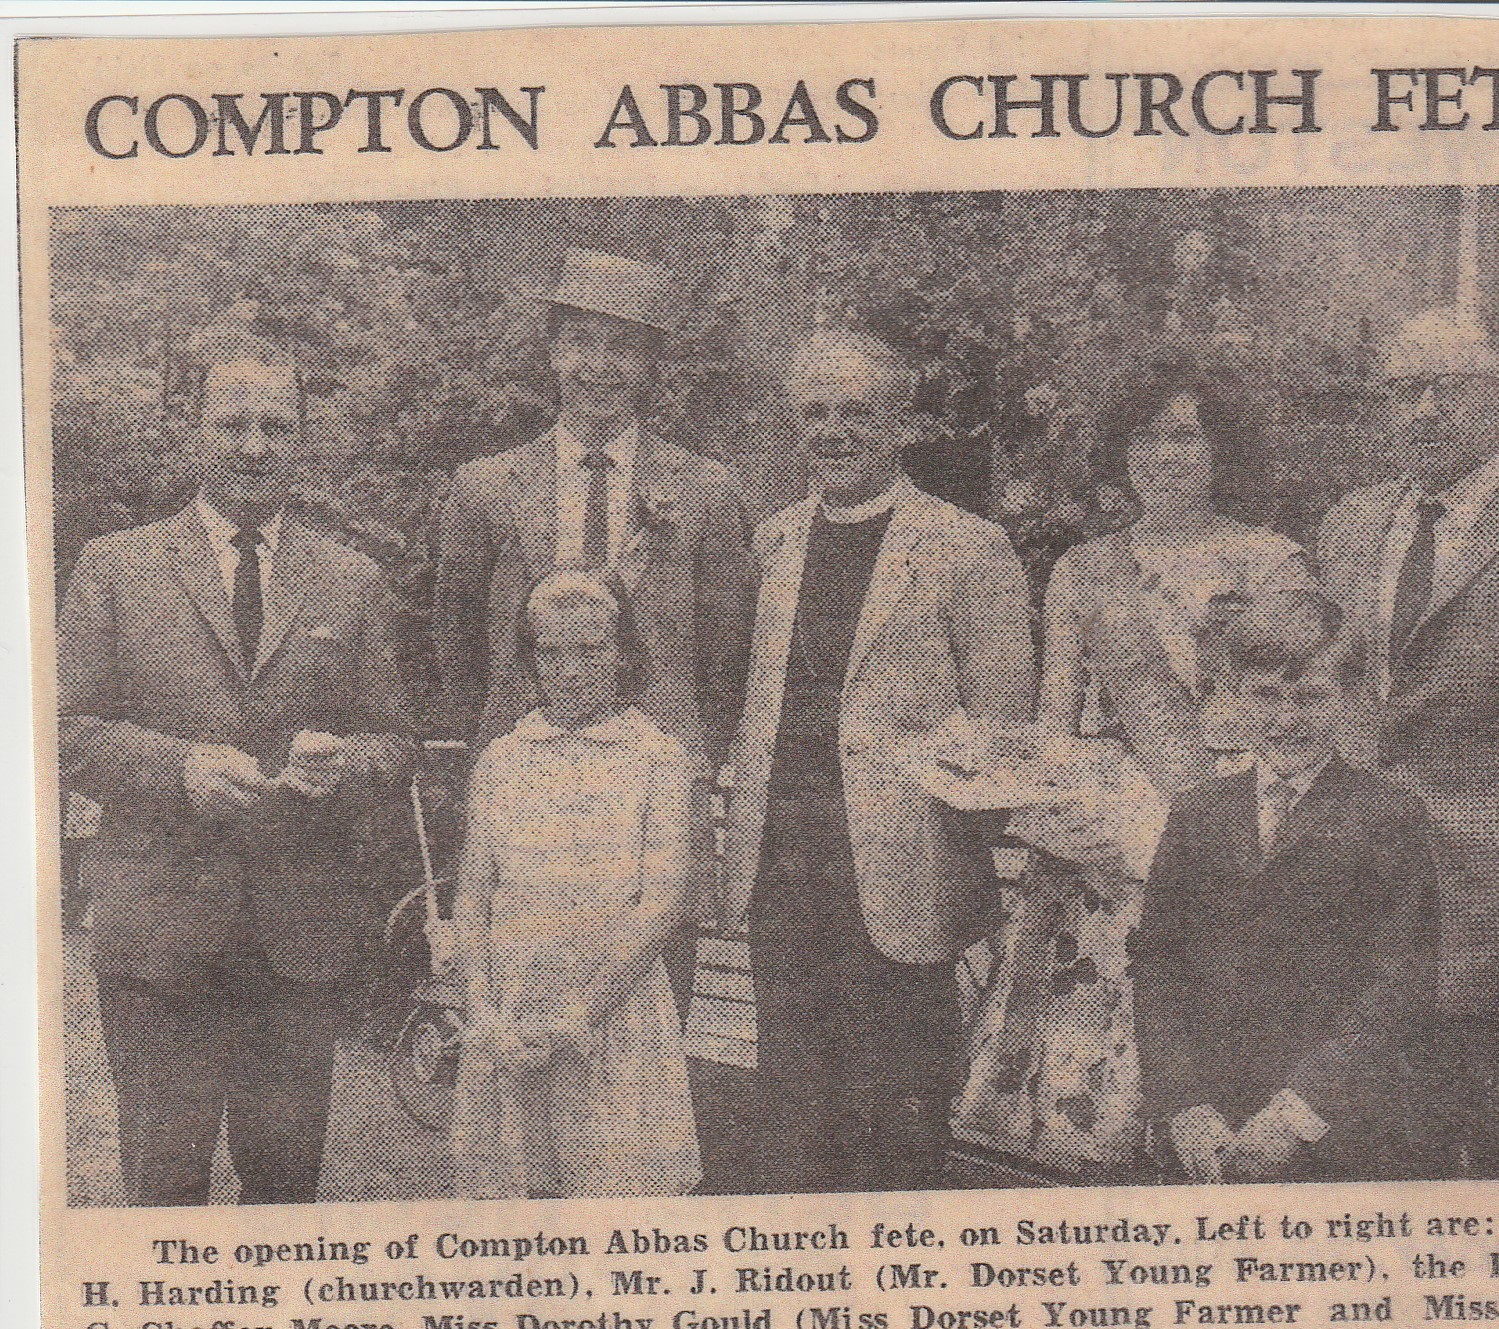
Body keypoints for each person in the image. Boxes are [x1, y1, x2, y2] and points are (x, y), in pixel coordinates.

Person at [57, 352, 416, 1205]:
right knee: (162, 1190)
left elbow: (396, 742)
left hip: (297, 943)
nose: (254, 447)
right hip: (161, 939)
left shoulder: (351, 578)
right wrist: (180, 767)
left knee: (286, 1191)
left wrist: (341, 763)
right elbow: (62, 730)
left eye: (275, 428)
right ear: (195, 429)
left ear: (301, 439)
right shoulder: (115, 566)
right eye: (232, 425)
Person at [956, 359, 1314, 1178]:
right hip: (1099, 855)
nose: (1163, 455)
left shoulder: (1271, 564)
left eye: (1185, 436)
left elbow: (1292, 722)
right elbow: (1055, 726)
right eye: (1145, 438)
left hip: (1228, 838)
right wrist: (1058, 807)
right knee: (1086, 1123)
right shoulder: (1085, 570)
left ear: (1223, 448)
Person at [722, 328, 1036, 1194]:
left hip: (905, 875)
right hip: (785, 870)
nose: (834, 431)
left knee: (899, 1115)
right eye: (815, 413)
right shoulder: (775, 543)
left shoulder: (968, 548)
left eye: (857, 412)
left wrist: (948, 822)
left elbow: (1002, 730)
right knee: (792, 1108)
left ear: (900, 424)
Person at [1314, 307, 1499, 1178]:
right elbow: (1340, 691)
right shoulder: (1350, 525)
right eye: (1403, 390)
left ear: (1496, 403)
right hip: (1370, 901)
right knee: (1381, 1155)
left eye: (1446, 388)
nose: (1422, 411)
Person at [1130, 591, 1441, 1183]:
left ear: (1347, 699)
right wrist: (1183, 1103)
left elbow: (1398, 980)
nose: (1286, 721)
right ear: (1232, 693)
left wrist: (1299, 1115)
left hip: (1328, 1125)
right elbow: (1159, 961)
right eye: (1265, 696)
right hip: (1206, 1123)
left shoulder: (1386, 814)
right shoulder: (1200, 812)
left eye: (1311, 698)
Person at [433, 248, 753, 774]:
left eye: (624, 348)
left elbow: (727, 650)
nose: (600, 368)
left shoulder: (705, 489)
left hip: (661, 764)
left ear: (650, 363)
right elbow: (458, 642)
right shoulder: (483, 487)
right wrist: (493, 744)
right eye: (582, 343)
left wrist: (698, 757)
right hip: (525, 763)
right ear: (554, 353)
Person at [449, 571, 700, 1199]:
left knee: (610, 1195)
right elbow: (474, 897)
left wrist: (579, 1013)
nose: (570, 671)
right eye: (552, 653)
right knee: (514, 1201)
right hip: (512, 1008)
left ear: (623, 654)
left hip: (609, 1011)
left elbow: (664, 900)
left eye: (591, 651)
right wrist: (482, 1011)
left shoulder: (656, 757)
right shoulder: (505, 758)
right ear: (531, 659)